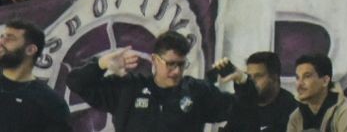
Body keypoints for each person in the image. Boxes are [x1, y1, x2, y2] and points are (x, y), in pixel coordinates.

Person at [67, 31, 243, 132]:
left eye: (182, 65)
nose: (176, 71)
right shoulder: (128, 88)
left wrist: (242, 81)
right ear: (154, 59)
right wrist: (101, 63)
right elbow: (76, 83)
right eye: (171, 64)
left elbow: (242, 109)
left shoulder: (197, 91)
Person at [0, 19, 70, 130]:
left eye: (9, 38)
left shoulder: (51, 103)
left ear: (30, 50)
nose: (1, 42)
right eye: (1, 36)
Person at [285, 52, 347, 132]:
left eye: (307, 76)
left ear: (325, 81)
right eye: (297, 78)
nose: (299, 84)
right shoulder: (296, 117)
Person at [221, 51, 299, 132]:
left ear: (274, 77)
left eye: (258, 76)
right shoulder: (244, 104)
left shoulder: (293, 111)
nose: (251, 81)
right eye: (249, 77)